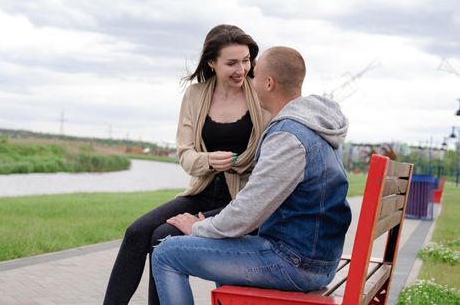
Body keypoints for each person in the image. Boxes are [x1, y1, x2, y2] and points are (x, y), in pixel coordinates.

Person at [152, 46, 352, 305]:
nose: (249, 79)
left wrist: (198, 227)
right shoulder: (314, 126)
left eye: (254, 75)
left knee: (166, 253)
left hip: (296, 263)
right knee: (225, 248)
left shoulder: (288, 136)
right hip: (315, 257)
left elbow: (248, 212)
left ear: (269, 83)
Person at [102, 24, 270, 305]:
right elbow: (186, 155)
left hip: (240, 199)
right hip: (201, 192)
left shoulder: (258, 94)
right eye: (231, 63)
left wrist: (237, 161)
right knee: (136, 233)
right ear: (212, 63)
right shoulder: (195, 95)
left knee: (162, 237)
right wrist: (207, 159)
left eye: (245, 60)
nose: (241, 69)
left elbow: (270, 156)